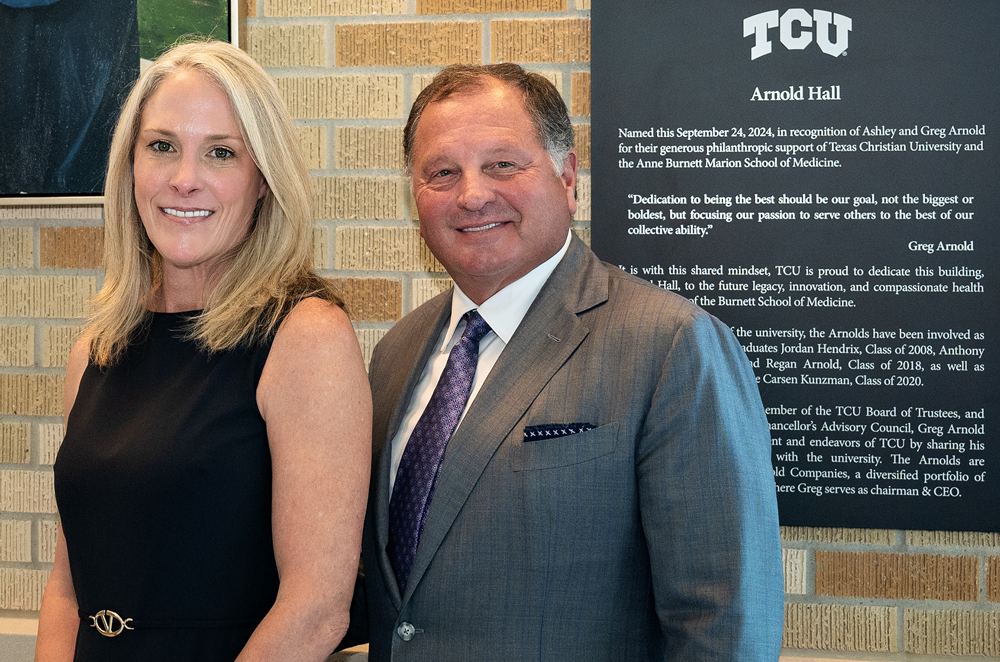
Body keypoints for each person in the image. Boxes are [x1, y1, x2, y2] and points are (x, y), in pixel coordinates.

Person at [357, 64, 784, 660]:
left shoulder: (672, 346)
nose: (473, 194)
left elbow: (722, 620)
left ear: (568, 177)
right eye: (442, 172)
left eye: (502, 164)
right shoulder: (396, 354)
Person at [35, 41, 371, 661]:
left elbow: (316, 609)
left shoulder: (305, 338)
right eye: (161, 146)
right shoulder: (95, 350)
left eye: (221, 153)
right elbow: (66, 588)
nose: (184, 179)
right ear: (129, 166)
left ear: (264, 182)